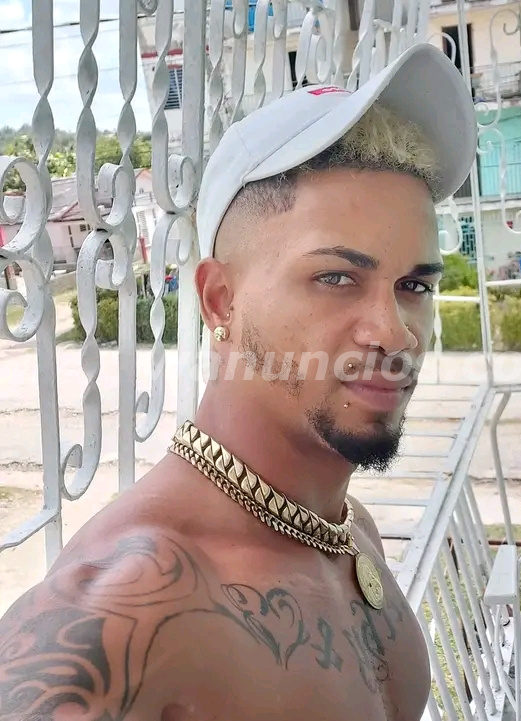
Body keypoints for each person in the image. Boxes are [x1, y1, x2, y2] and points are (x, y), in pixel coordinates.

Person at [0, 43, 476, 720]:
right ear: (220, 300)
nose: (394, 333)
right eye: (336, 278)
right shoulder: (116, 613)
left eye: (414, 286)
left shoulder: (344, 530)